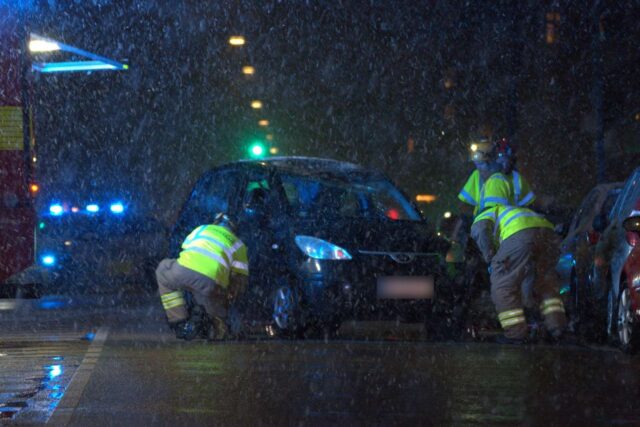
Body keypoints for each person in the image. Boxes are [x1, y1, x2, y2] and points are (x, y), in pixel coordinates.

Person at [471, 205, 567, 343]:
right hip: (549, 236)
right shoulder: (511, 211)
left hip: (521, 235)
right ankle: (557, 328)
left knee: (502, 285)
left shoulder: (482, 215)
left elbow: (480, 230)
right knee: (545, 285)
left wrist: (489, 257)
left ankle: (516, 333)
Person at [156, 213, 249, 341]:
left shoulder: (201, 229)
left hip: (184, 273)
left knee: (163, 269)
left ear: (215, 222)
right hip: (212, 285)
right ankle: (208, 318)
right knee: (217, 323)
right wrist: (227, 298)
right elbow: (240, 280)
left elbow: (185, 248)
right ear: (233, 229)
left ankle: (179, 321)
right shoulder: (239, 245)